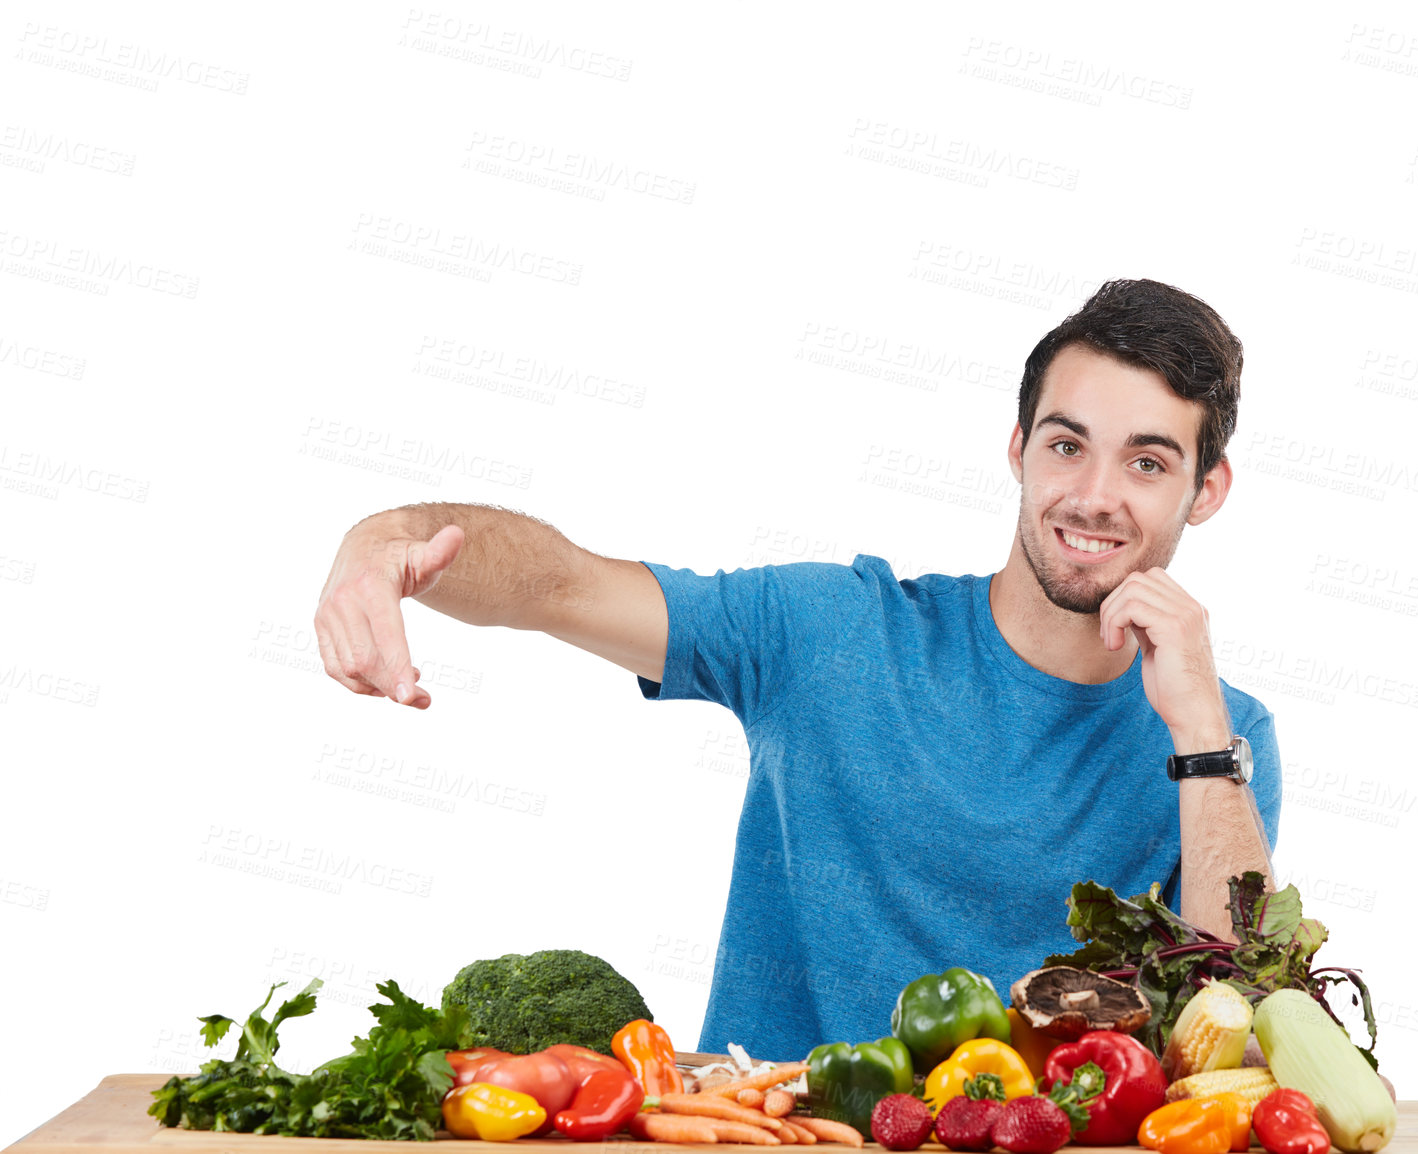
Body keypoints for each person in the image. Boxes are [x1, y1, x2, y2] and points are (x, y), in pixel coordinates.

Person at [315, 279, 1281, 1059]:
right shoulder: (832, 632)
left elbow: (1225, 1037)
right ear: (1020, 448)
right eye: (1068, 445)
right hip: (767, 1134)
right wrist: (384, 543)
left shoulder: (1228, 739)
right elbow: (558, 583)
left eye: (1148, 464)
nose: (1095, 495)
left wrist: (1199, 737)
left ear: (1207, 491)